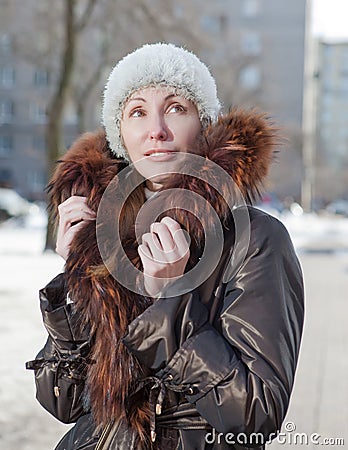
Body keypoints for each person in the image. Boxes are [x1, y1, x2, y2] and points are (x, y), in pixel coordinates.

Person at [26, 43, 304, 450]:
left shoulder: (254, 239)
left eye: (175, 108)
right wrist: (75, 278)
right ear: (121, 134)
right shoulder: (104, 239)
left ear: (203, 123)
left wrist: (171, 300)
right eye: (137, 112)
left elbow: (256, 415)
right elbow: (62, 402)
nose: (156, 130)